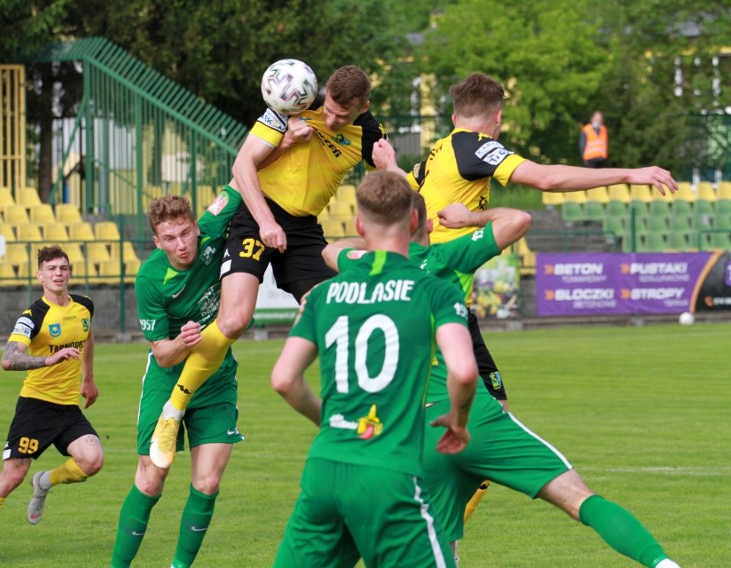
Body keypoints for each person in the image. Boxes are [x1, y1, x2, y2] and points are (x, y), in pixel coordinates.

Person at [373, 71, 678, 519]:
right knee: (469, 422)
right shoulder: (473, 146)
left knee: (488, 409)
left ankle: (439, 531)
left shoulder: (438, 152)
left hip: (429, 294)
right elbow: (546, 179)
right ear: (496, 120)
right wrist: (632, 172)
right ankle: (429, 532)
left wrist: (390, 167)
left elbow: (413, 194)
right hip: (443, 294)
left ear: (455, 114)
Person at [148, 64, 388, 470]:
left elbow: (393, 192)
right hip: (256, 215)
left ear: (362, 107)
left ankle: (345, 419)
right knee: (234, 320)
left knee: (331, 313)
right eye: (327, 109)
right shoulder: (294, 101)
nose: (330, 120)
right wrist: (266, 221)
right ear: (323, 93)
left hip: (304, 228)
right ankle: (173, 411)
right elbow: (243, 167)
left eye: (341, 117)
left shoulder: (369, 134)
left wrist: (393, 167)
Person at [270, 171, 478, 567]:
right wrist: (459, 418)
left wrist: (330, 421)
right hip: (389, 472)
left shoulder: (323, 293)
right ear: (415, 221)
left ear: (359, 225)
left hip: (324, 469)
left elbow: (283, 379)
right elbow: (464, 371)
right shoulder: (435, 289)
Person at [111, 188, 245, 568]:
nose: (181, 244)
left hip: (215, 379)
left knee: (207, 483)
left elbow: (242, 177)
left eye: (186, 233)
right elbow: (161, 352)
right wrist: (184, 342)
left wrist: (286, 134)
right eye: (170, 238)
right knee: (152, 478)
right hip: (167, 378)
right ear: (157, 241)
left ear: (195, 228)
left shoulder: (211, 227)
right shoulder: (150, 277)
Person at [0, 245, 102, 560]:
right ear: (40, 275)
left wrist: (88, 378)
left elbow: (87, 338)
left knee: (92, 460)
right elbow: (8, 360)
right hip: (35, 405)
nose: (58, 274)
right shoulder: (32, 316)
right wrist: (49, 361)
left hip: (67, 408)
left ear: (69, 272)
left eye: (63, 268)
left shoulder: (85, 305)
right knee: (12, 477)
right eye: (51, 269)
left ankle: (44, 481)